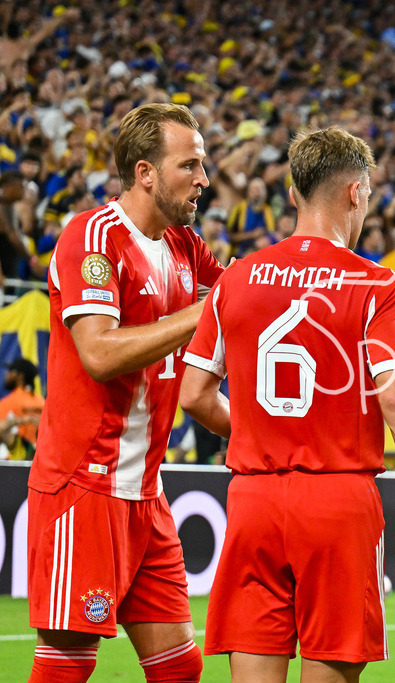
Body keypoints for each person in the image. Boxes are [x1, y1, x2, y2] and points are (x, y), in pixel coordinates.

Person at [178, 126, 395, 683]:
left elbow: (193, 393)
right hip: (336, 502)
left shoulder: (236, 278)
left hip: (253, 501)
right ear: (357, 193)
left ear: (292, 193)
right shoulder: (375, 285)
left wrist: (256, 433)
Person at [26, 103, 224, 683]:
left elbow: (241, 301)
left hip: (146, 494)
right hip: (83, 489)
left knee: (180, 670)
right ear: (145, 173)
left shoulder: (186, 246)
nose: (203, 180)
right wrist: (205, 311)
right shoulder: (91, 238)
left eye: (204, 165)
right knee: (67, 668)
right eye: (189, 165)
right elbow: (100, 353)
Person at [0, 357, 45, 451]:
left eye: (11, 370)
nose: (7, 374)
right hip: (40, 456)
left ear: (20, 376)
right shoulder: (42, 402)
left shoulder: (9, 402)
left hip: (14, 460)